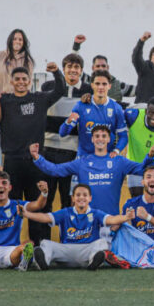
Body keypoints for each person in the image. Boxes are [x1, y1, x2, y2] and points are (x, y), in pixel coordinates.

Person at [0, 62, 67, 245]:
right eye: (17, 79)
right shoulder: (5, 100)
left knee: (39, 204)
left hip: (36, 162)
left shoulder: (39, 99)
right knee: (11, 205)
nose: (21, 82)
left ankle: (41, 247)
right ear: (11, 81)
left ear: (30, 81)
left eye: (24, 79)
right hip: (12, 162)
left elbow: (60, 90)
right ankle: (9, 247)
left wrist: (56, 72)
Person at [29, 125, 150, 215]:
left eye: (104, 136)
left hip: (112, 223)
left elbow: (142, 169)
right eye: (97, 136)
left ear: (109, 139)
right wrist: (37, 157)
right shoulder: (82, 162)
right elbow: (56, 170)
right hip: (88, 224)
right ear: (92, 139)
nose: (100, 139)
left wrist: (151, 155)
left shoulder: (119, 161)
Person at [21, 183, 131, 270]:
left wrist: (126, 217)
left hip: (86, 251)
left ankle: (94, 262)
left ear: (90, 198)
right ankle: (43, 262)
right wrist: (26, 214)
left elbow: (111, 219)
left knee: (102, 243)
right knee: (46, 244)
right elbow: (45, 217)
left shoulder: (95, 213)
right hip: (67, 250)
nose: (81, 198)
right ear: (73, 198)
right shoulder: (65, 212)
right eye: (78, 195)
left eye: (85, 195)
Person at [41, 53, 92, 220]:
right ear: (64, 69)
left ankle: (67, 239)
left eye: (76, 67)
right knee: (46, 199)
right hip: (48, 149)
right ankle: (42, 242)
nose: (73, 70)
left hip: (71, 152)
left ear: (81, 71)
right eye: (69, 66)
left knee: (68, 200)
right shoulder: (49, 86)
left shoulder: (88, 90)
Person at [60, 69, 128, 157]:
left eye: (104, 84)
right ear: (92, 85)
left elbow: (123, 136)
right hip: (84, 159)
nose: (100, 87)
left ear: (109, 86)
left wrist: (116, 151)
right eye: (97, 84)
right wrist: (68, 121)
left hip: (106, 160)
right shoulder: (81, 105)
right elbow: (62, 133)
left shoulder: (116, 108)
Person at [72, 34, 135, 103]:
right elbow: (75, 68)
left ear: (107, 67)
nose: (101, 68)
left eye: (103, 66)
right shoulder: (86, 80)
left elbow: (139, 90)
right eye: (98, 66)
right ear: (93, 68)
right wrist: (76, 46)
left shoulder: (117, 85)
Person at [0, 28, 34, 97]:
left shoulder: (27, 61)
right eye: (14, 39)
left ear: (23, 42)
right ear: (10, 40)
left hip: (16, 101)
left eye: (20, 40)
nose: (17, 41)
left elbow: (29, 83)